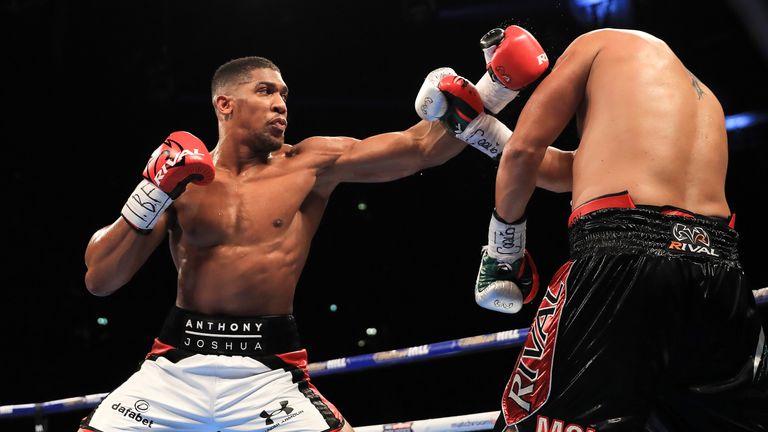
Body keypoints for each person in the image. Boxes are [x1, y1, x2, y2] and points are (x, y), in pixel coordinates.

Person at [79, 45, 553, 431]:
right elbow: (101, 278)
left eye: (283, 94)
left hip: (268, 372)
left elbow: (420, 148)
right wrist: (152, 192)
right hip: (172, 369)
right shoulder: (180, 176)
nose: (281, 103)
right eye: (265, 91)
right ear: (225, 104)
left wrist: (497, 86)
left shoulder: (308, 164)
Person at [472, 27, 768, 431]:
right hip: (719, 274)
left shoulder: (591, 44)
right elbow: (573, 171)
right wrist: (478, 131)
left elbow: (525, 151)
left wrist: (504, 250)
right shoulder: (702, 96)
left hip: (623, 257)